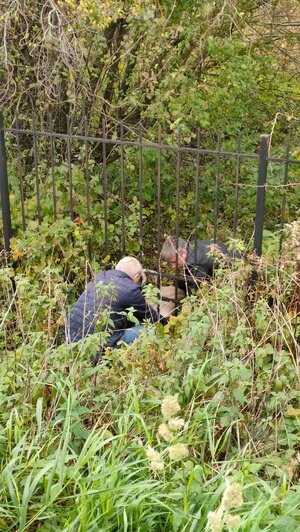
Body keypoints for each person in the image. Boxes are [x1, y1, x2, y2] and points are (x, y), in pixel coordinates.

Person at [64, 257, 164, 359]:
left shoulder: (100, 277)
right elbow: (152, 318)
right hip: (98, 348)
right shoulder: (131, 290)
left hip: (69, 338)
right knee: (150, 329)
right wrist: (169, 325)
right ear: (137, 276)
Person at [161, 236, 238, 294]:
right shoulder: (189, 245)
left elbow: (195, 291)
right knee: (180, 282)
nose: (173, 266)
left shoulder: (194, 263)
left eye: (174, 262)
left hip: (231, 276)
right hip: (227, 260)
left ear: (183, 253)